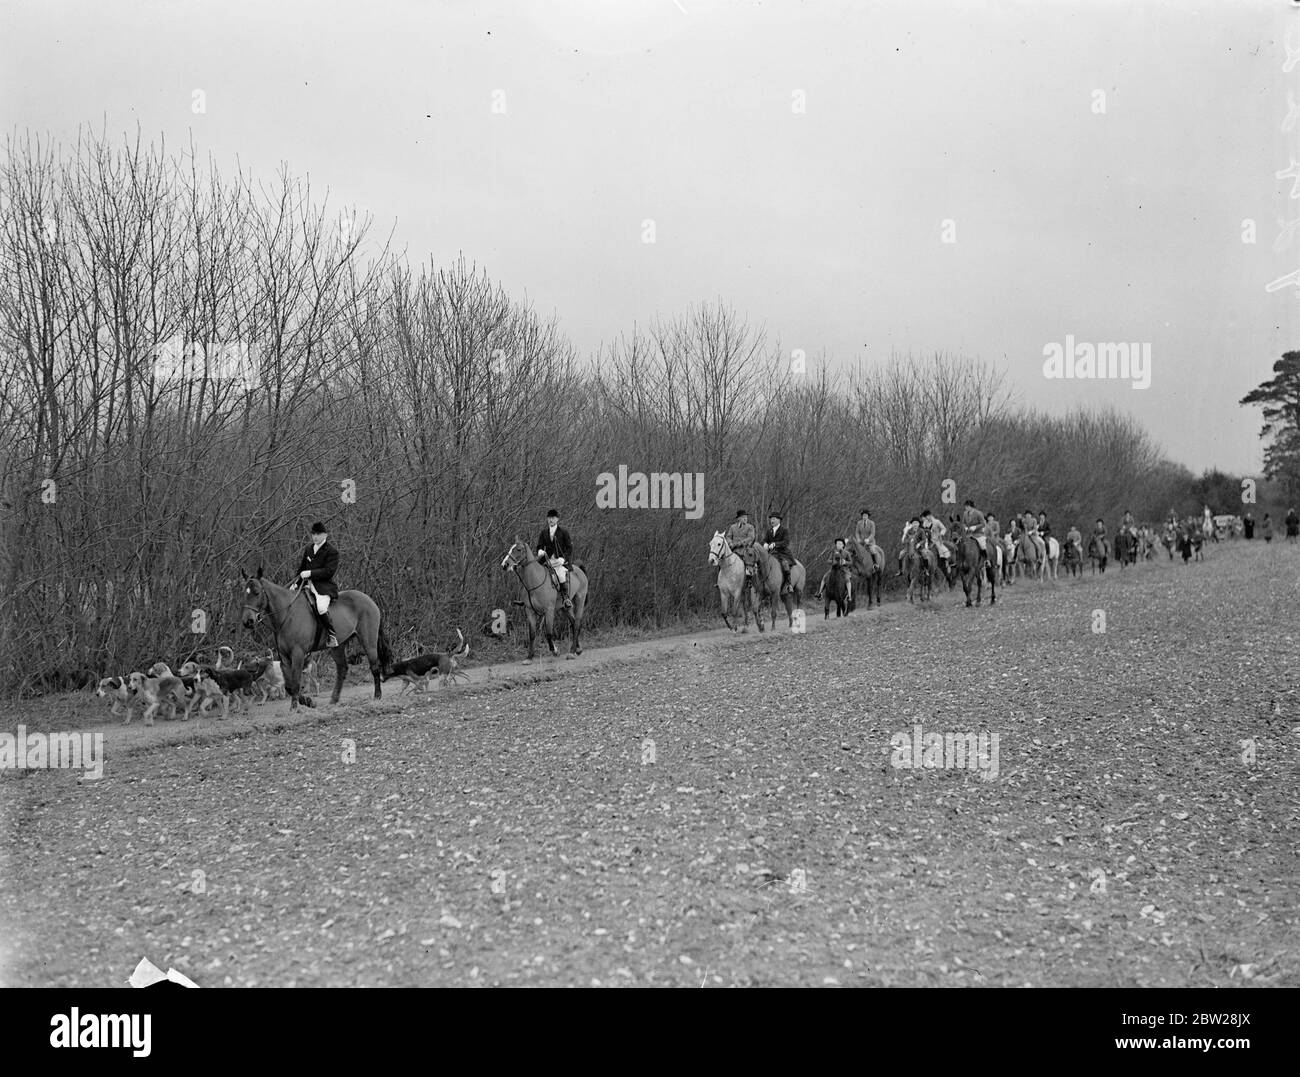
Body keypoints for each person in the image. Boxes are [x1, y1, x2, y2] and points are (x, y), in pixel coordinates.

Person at [296, 521, 340, 648]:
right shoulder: (309, 549)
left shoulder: (332, 551)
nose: (315, 537)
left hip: (323, 587)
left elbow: (329, 572)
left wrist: (310, 573)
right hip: (307, 586)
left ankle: (332, 635)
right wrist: (295, 583)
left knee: (321, 608)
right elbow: (301, 569)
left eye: (318, 534)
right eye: (313, 534)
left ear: (325, 535)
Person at [537, 508, 575, 608]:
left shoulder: (563, 532)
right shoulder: (544, 532)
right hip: (547, 560)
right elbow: (539, 546)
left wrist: (564, 558)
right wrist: (540, 551)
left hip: (559, 561)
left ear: (557, 519)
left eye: (553, 518)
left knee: (561, 575)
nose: (551, 520)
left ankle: (566, 598)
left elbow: (569, 548)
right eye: (549, 518)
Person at [762, 512, 795, 594]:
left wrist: (775, 544)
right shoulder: (769, 531)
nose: (771, 520)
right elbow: (765, 540)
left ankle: (788, 584)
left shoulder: (784, 530)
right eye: (771, 519)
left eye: (773, 519)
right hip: (771, 553)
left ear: (778, 520)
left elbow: (786, 542)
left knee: (784, 563)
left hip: (782, 553)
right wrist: (765, 544)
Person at [725, 509, 758, 589]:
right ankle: (720, 580)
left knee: (749, 561)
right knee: (722, 560)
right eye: (743, 517)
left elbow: (751, 537)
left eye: (746, 517)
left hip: (745, 549)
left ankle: (749, 580)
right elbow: (728, 536)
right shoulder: (732, 527)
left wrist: (739, 543)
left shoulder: (750, 527)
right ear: (738, 518)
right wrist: (730, 543)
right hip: (733, 550)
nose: (745, 519)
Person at [816, 538, 853, 603]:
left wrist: (845, 562)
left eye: (840, 544)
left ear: (843, 545)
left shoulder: (846, 553)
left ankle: (849, 596)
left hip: (843, 570)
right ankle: (820, 593)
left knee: (847, 579)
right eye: (837, 544)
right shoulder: (833, 552)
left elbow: (851, 562)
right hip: (833, 569)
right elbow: (828, 560)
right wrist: (833, 561)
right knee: (825, 576)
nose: (838, 545)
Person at [852, 508, 884, 575]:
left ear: (868, 516)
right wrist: (858, 538)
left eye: (866, 515)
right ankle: (855, 566)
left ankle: (875, 564)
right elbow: (857, 532)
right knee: (854, 552)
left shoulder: (872, 523)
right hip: (861, 542)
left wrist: (868, 539)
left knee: (872, 550)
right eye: (863, 515)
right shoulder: (859, 523)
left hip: (870, 542)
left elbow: (873, 533)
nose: (864, 517)